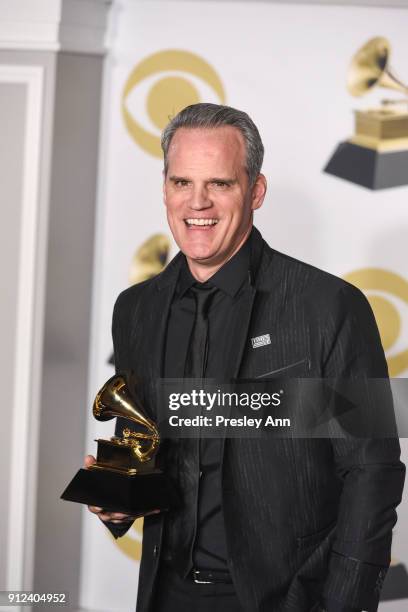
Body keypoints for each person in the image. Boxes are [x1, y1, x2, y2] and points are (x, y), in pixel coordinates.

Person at [86, 103, 405, 612]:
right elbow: (142, 445)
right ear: (165, 188)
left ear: (255, 191)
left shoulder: (329, 307)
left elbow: (372, 471)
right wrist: (118, 500)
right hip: (165, 596)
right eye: (182, 182)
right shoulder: (136, 310)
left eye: (220, 184)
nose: (198, 203)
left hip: (288, 600)